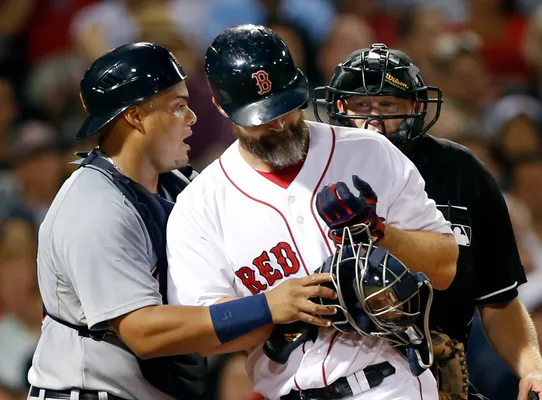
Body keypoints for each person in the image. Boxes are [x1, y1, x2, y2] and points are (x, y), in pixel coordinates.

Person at [27, 42, 337, 400]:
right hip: (86, 392)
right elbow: (142, 332)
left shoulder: (181, 186)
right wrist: (267, 307)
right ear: (136, 116)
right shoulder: (94, 206)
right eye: (178, 106)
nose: (192, 118)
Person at [166, 25, 459, 400]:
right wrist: (273, 309)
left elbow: (446, 266)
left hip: (391, 384)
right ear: (222, 107)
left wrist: (379, 233)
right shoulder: (201, 204)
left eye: (286, 106)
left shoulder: (370, 152)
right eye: (260, 116)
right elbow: (203, 334)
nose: (278, 122)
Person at [314, 42, 542, 399]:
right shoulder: (311, 175)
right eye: (361, 105)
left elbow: (498, 298)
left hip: (442, 373)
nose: (372, 120)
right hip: (342, 378)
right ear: (339, 108)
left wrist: (532, 369)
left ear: (416, 108)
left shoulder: (461, 172)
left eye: (388, 105)